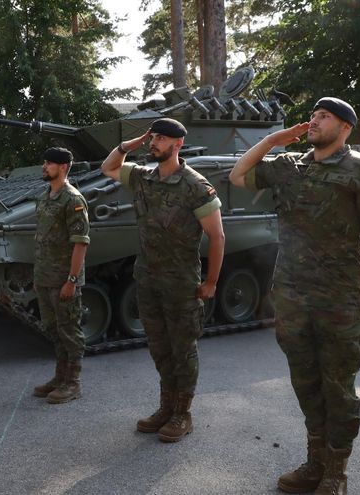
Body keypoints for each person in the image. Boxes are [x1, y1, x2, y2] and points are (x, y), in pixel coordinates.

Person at [229, 97, 360, 495]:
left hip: (338, 299)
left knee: (337, 387)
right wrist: (275, 138)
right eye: (313, 116)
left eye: (325, 117)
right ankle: (315, 462)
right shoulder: (290, 167)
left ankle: (336, 471)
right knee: (306, 383)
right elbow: (239, 174)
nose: (314, 121)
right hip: (291, 296)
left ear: (345, 128)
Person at [100, 118, 225, 443]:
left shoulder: (196, 185)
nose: (154, 142)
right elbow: (109, 167)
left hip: (181, 283)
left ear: (178, 144)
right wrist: (133, 143)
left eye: (161, 138)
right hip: (148, 279)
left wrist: (211, 281)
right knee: (158, 347)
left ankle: (183, 413)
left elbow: (217, 235)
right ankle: (166, 406)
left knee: (182, 349)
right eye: (153, 137)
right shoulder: (143, 177)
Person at [31, 147, 90, 404]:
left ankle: (73, 383)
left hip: (64, 279)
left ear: (64, 167)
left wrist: (72, 280)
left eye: (50, 163)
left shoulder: (72, 200)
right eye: (45, 163)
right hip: (44, 276)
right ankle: (60, 377)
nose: (45, 167)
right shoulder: (45, 196)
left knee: (70, 331)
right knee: (53, 329)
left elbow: (80, 243)